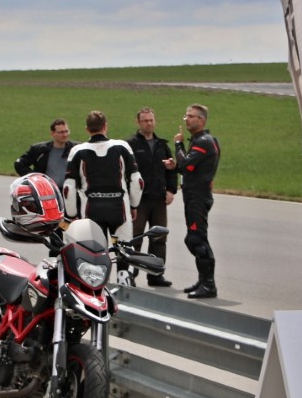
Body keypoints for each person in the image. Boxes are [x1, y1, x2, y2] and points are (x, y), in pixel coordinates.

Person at [63, 111, 143, 282]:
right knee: (120, 247)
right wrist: (134, 206)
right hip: (118, 211)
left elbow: (68, 188)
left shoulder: (77, 151)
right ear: (105, 126)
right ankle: (124, 282)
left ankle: (95, 288)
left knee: (94, 252)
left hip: (92, 212)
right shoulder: (122, 147)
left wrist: (71, 215)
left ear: (87, 129)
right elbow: (137, 181)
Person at [163, 104, 221, 299]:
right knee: (195, 238)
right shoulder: (201, 140)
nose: (186, 119)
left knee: (196, 239)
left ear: (201, 120)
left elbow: (187, 164)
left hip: (198, 197)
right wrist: (175, 166)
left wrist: (178, 145)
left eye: (191, 116)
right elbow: (188, 168)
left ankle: (209, 285)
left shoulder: (203, 141)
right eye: (186, 115)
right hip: (194, 195)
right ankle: (203, 280)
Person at [127, 107, 177, 287]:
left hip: (158, 200)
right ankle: (129, 274)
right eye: (145, 120)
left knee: (159, 238)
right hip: (138, 200)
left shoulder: (162, 145)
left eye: (151, 120)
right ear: (138, 122)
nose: (149, 123)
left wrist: (171, 190)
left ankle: (156, 275)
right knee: (135, 238)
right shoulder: (130, 145)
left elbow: (171, 169)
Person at [14, 118, 77, 187]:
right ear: (52, 133)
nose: (65, 135)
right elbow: (19, 164)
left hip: (70, 193)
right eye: (61, 132)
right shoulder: (39, 149)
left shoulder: (76, 149)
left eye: (66, 131)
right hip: (46, 192)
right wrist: (34, 178)